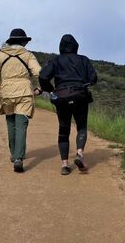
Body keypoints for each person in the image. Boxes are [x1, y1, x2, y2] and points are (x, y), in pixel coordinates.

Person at [39, 34, 97, 175]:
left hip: (61, 97)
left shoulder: (55, 61)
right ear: (75, 46)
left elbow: (42, 76)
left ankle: (65, 165)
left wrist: (51, 89)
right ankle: (79, 154)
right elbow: (93, 78)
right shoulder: (83, 60)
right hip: (80, 96)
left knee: (63, 131)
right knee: (81, 127)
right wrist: (85, 83)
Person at [0, 28, 42, 173]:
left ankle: (14, 154)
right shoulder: (28, 55)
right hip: (24, 91)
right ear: (23, 41)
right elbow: (39, 73)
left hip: (6, 92)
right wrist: (40, 88)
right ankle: (19, 158)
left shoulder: (0, 55)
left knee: (11, 122)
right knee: (21, 124)